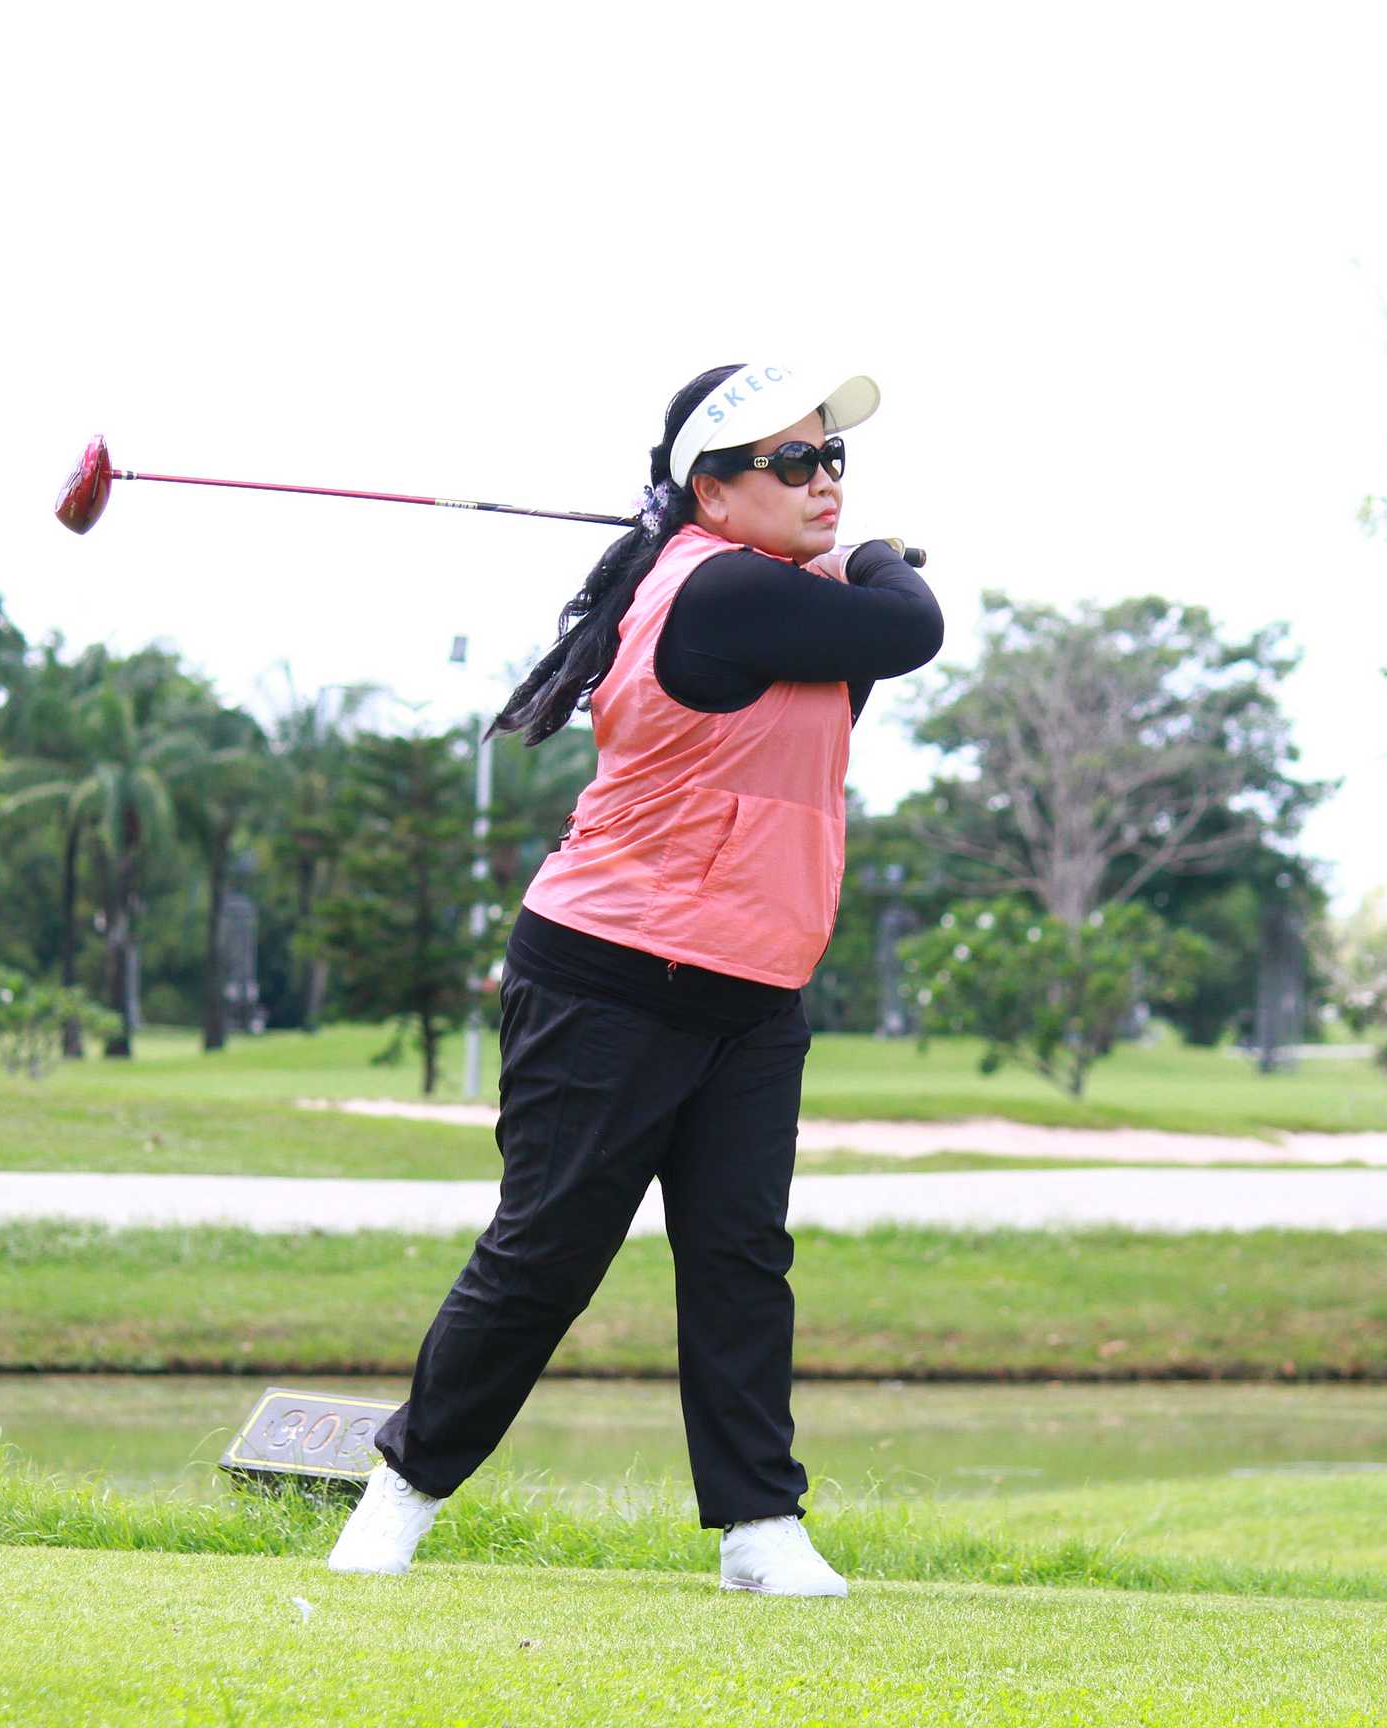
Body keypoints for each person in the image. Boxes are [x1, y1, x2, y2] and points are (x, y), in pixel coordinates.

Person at [326, 364, 942, 1595]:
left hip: (751, 984)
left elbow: (853, 654)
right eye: (792, 462)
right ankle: (400, 1494)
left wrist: (844, 566)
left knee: (738, 1261)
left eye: (833, 459)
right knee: (548, 1253)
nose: (823, 480)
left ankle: (760, 1531)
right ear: (709, 492)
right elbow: (909, 626)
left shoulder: (764, 589)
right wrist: (877, 559)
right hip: (613, 975)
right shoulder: (718, 588)